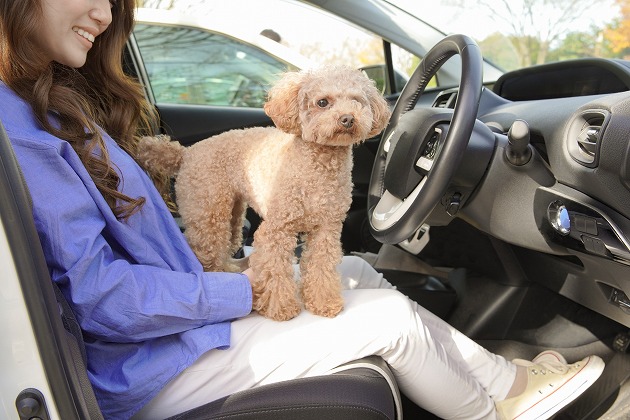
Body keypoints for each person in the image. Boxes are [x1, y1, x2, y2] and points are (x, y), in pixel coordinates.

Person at [0, 1, 605, 419]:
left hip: (165, 328)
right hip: (140, 367)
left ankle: (509, 381)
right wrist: (246, 290)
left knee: (358, 273)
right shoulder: (19, 133)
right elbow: (101, 299)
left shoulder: (42, 108)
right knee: (387, 324)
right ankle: (496, 409)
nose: (105, 15)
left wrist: (227, 276)